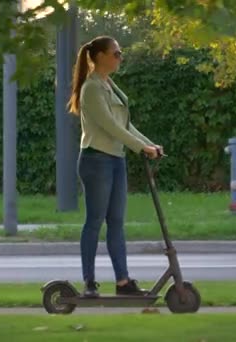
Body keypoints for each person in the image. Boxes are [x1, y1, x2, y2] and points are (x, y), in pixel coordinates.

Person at [68, 36, 162, 298]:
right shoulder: (92, 88)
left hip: (115, 159)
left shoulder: (110, 85)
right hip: (96, 160)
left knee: (117, 222)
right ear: (99, 56)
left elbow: (125, 125)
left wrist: (150, 144)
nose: (120, 57)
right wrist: (140, 147)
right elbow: (109, 125)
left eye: (120, 53)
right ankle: (89, 283)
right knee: (94, 222)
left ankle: (123, 283)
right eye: (116, 53)